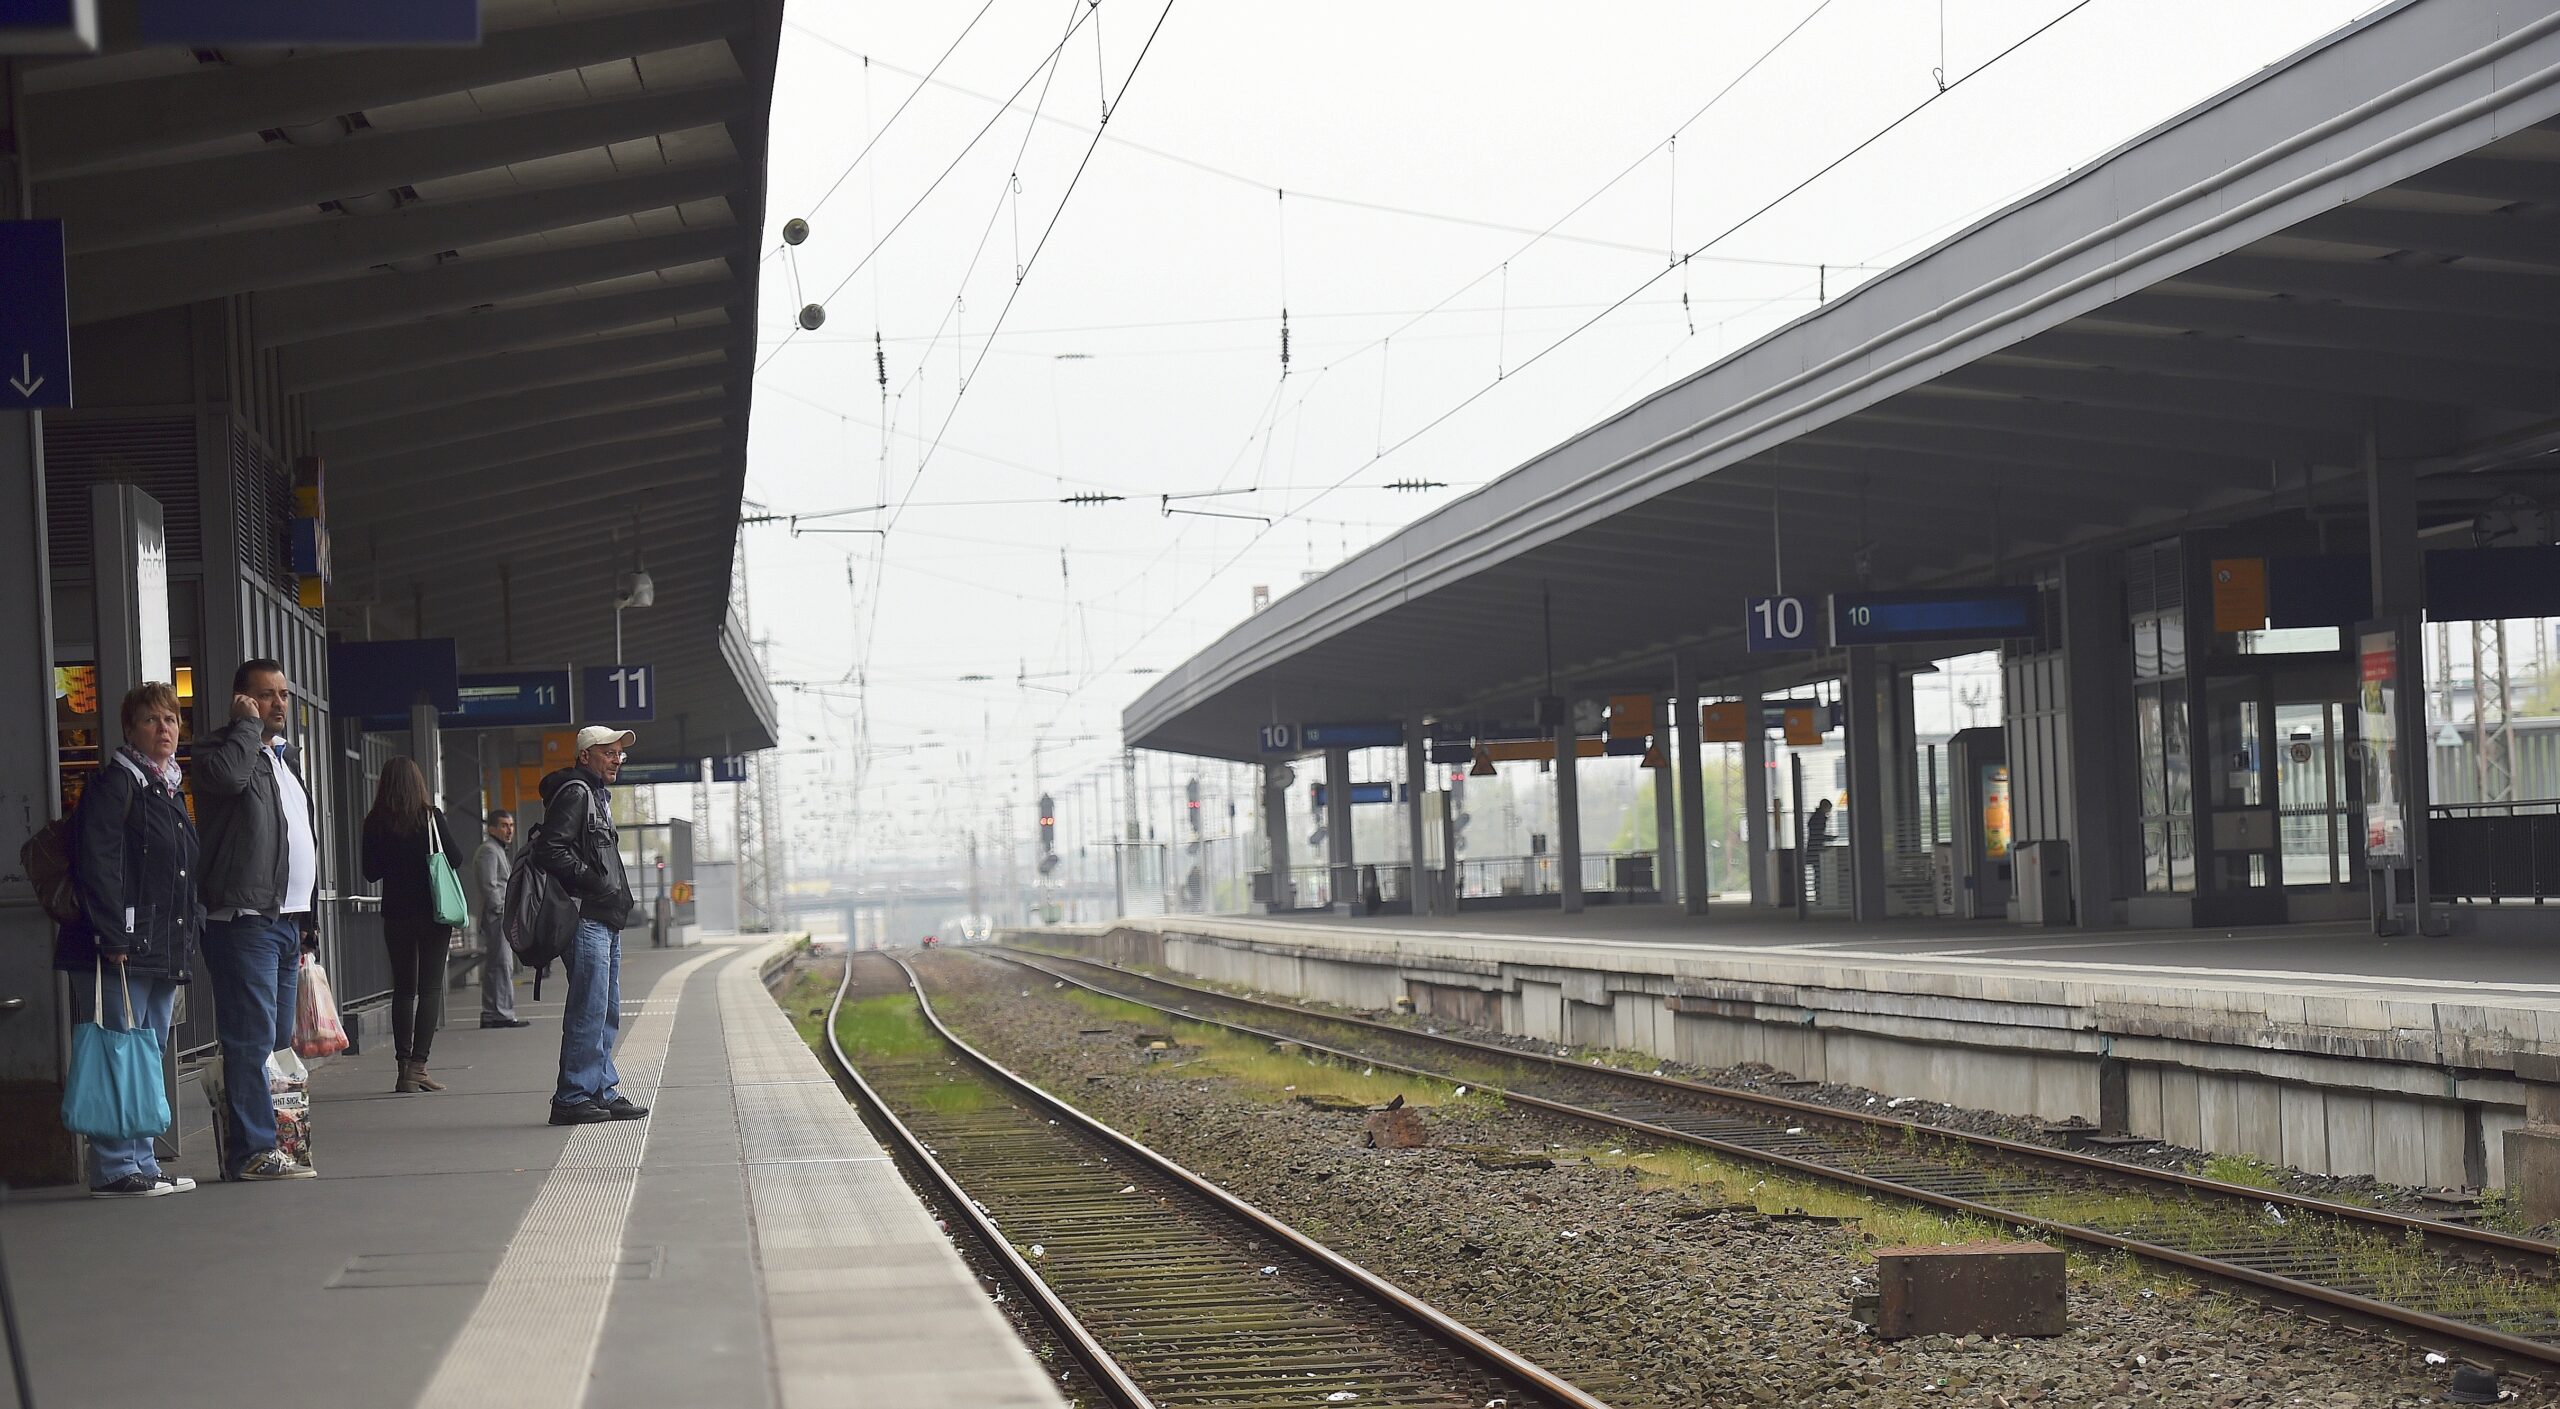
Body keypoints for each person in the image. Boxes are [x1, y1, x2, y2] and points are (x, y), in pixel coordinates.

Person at [55, 682, 203, 1197]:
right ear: (129, 729)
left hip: (160, 946)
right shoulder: (115, 785)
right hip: (118, 946)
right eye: (152, 720)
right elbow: (98, 864)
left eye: (171, 720)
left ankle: (142, 1158)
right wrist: (113, 934)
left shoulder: (165, 788)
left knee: (145, 1050)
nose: (164, 729)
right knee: (120, 1047)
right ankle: (115, 1166)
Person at [193, 659, 320, 1181]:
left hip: (285, 923)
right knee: (248, 1040)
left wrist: (306, 918)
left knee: (274, 1044)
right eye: (265, 696)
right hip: (243, 921)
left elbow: (298, 839)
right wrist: (245, 727)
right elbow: (225, 781)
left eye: (284, 695)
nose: (279, 705)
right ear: (241, 699)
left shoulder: (281, 761)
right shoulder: (221, 751)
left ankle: (272, 1144)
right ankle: (251, 1152)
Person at [529, 725, 646, 1127]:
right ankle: (572, 1096)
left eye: (619, 754)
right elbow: (549, 850)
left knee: (606, 1009)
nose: (616, 759)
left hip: (604, 917)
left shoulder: (596, 794)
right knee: (589, 1008)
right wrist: (593, 880)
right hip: (585, 917)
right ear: (585, 756)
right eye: (608, 753)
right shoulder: (577, 793)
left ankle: (600, 1090)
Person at [361, 757, 471, 1093]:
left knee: (404, 990)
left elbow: (370, 871)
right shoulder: (429, 817)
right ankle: (419, 1067)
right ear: (417, 783)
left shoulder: (374, 821)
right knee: (430, 988)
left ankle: (402, 1067)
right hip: (433, 913)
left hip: (396, 913)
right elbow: (455, 858)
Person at [474, 809, 529, 1029]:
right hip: (497, 916)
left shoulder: (497, 850)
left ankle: (493, 1012)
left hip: (500, 915)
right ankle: (501, 1014)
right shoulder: (489, 850)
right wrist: (500, 910)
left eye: (511, 826)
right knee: (501, 964)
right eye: (504, 825)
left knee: (499, 964)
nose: (509, 830)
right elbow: (489, 885)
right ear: (492, 828)